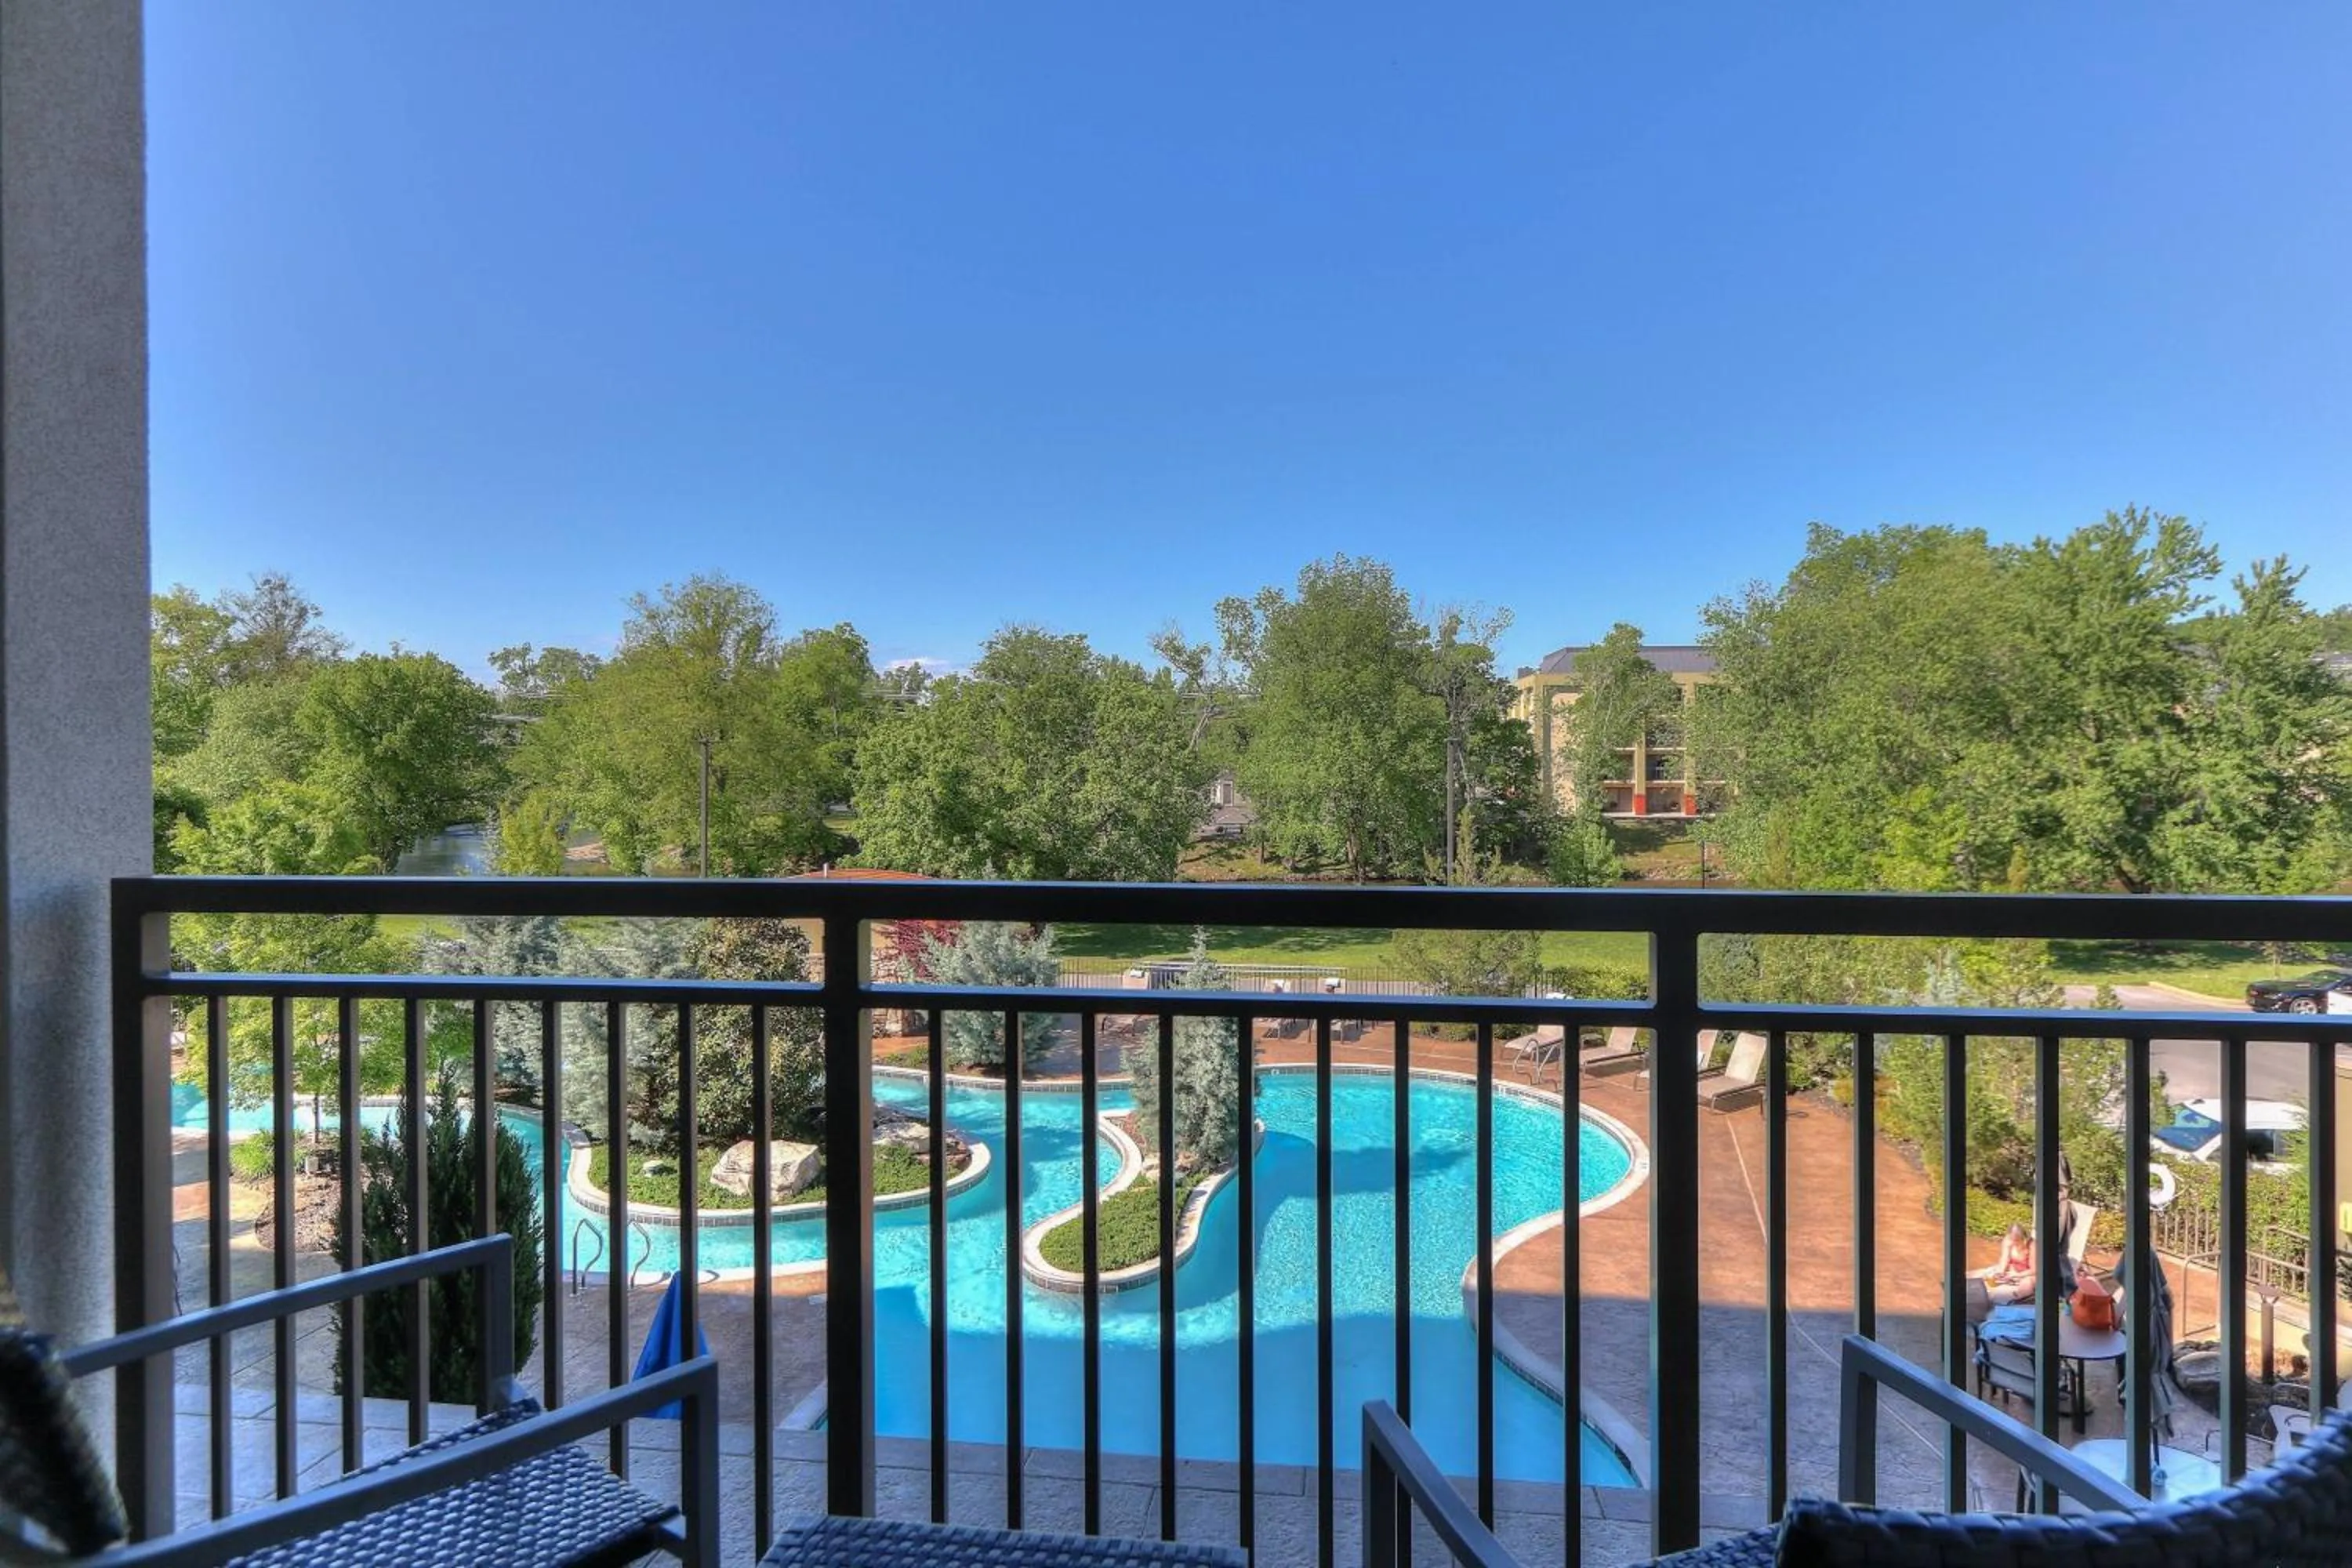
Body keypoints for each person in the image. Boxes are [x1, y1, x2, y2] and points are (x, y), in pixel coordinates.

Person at [1983, 1223, 2035, 1305]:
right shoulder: (2007, 1240)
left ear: (2024, 1238)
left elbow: (2035, 1270)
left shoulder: (2032, 1245)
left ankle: (2017, 1298)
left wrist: (2017, 1275)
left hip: (2029, 1274)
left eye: (2017, 1240)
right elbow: (2004, 1258)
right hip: (2013, 1270)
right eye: (2012, 1239)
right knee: (1989, 1274)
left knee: (2027, 1283)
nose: (2014, 1242)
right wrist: (2001, 1272)